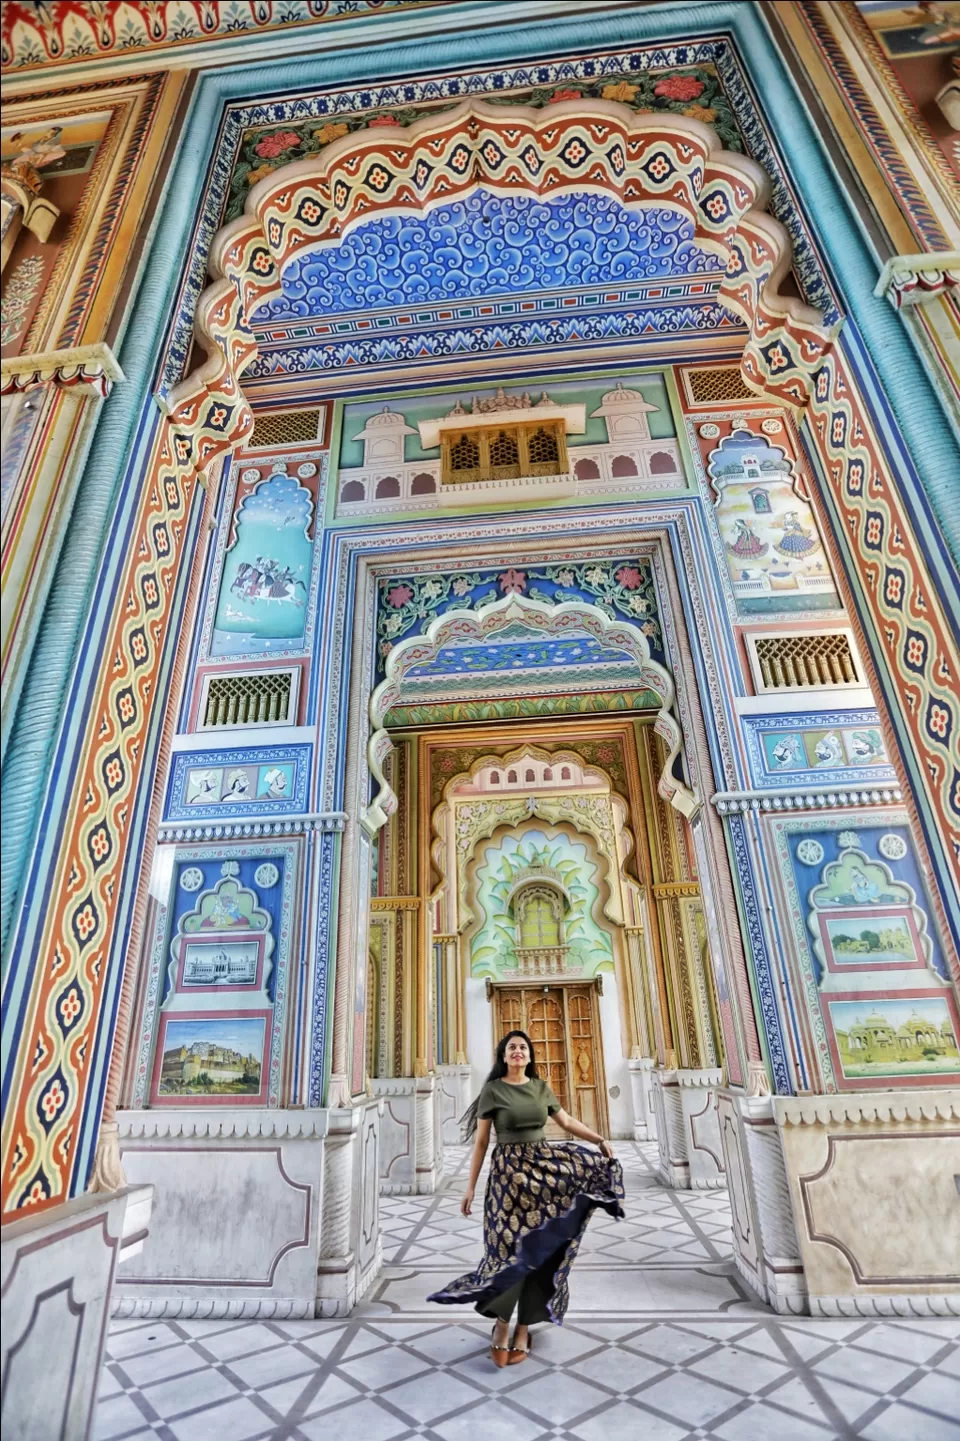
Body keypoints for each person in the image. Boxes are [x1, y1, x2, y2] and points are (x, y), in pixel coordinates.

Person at [427, 1030, 624, 1366]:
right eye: (511, 1047)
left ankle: (524, 1326)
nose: (517, 1051)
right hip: (507, 1180)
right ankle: (502, 1324)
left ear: (530, 1056)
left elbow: (565, 1121)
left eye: (522, 1047)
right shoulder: (493, 1090)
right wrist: (471, 1187)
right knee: (507, 1252)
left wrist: (598, 1139)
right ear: (503, 1057)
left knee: (541, 1251)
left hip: (542, 1176)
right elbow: (481, 1142)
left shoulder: (540, 1087)